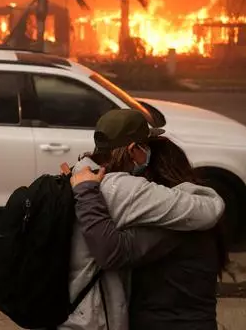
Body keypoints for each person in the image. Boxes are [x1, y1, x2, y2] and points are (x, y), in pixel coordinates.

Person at [60, 109, 225, 330]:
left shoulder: (79, 174)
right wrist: (202, 192)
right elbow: (210, 209)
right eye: (145, 146)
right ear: (133, 150)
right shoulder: (127, 190)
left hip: (69, 313)